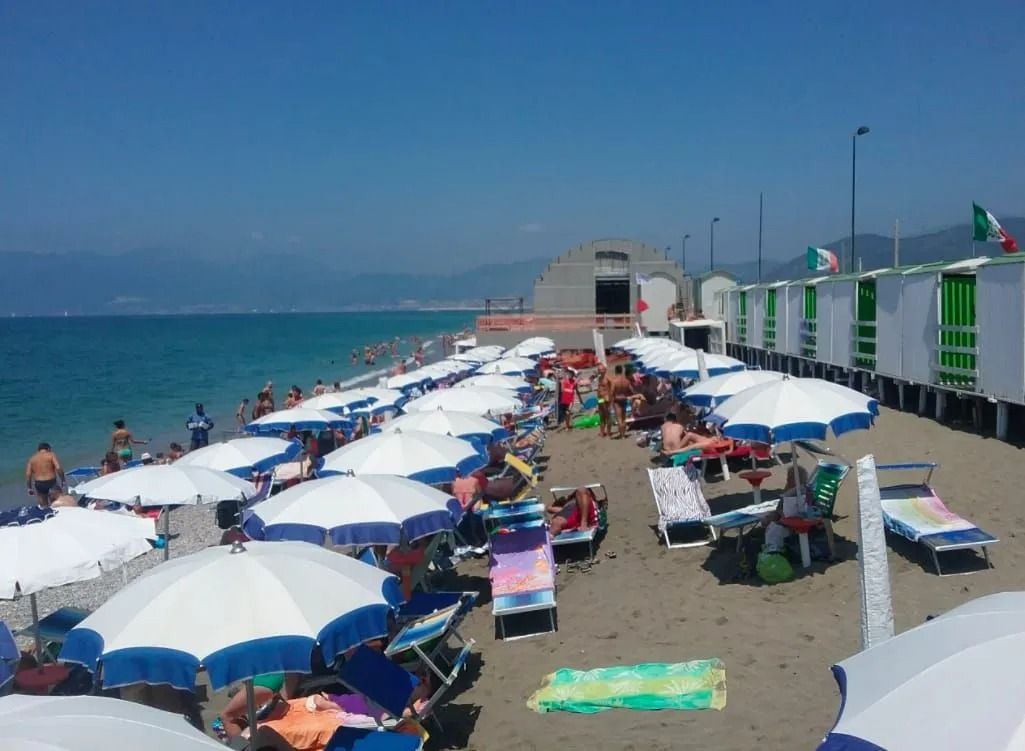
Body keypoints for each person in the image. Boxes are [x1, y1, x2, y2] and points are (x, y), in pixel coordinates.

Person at [609, 365, 634, 439]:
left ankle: (622, 435)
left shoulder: (614, 381)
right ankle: (624, 434)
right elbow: (631, 391)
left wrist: (610, 403)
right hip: (624, 399)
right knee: (623, 418)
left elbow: (611, 392)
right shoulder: (626, 381)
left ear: (616, 371)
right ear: (622, 371)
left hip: (617, 400)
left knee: (619, 418)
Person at [595, 363, 612, 438]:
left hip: (606, 399)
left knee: (607, 416)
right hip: (600, 399)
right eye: (599, 370)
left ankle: (608, 432)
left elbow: (612, 388)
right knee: (601, 416)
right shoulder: (599, 378)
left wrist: (611, 399)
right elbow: (599, 389)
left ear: (605, 370)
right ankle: (602, 432)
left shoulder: (608, 378)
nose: (600, 371)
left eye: (601, 369)